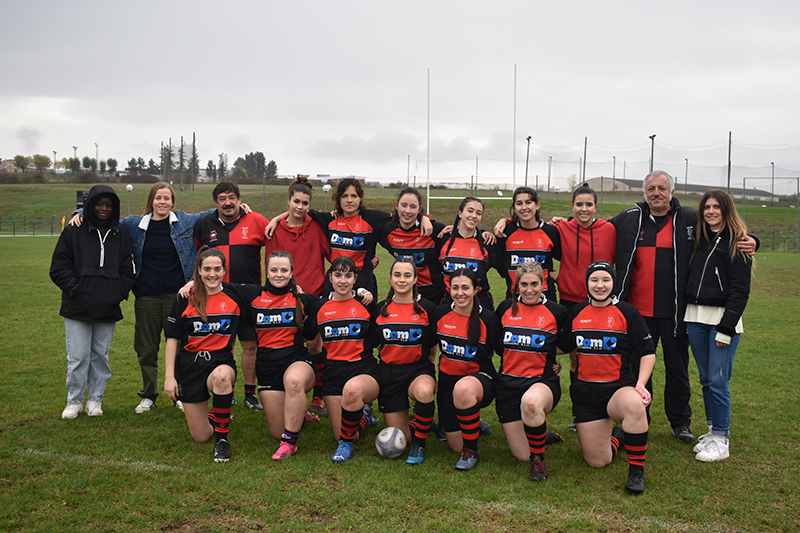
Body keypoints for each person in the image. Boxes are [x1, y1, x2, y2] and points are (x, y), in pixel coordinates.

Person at [611, 170, 756, 443]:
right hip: (637, 313)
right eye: (651, 188)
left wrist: (753, 239)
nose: (656, 193)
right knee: (636, 369)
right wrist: (560, 222)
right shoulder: (630, 218)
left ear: (672, 191)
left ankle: (680, 422)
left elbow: (724, 225)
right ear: (645, 192)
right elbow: (596, 227)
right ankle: (637, 416)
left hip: (677, 313)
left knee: (678, 370)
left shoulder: (690, 218)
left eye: (662, 188)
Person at [69, 181, 218, 414]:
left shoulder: (185, 221)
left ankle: (179, 393)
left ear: (172, 201)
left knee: (180, 346)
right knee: (147, 348)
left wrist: (243, 206)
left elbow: (213, 211)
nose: (163, 202)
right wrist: (79, 212)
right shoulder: (134, 224)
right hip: (146, 297)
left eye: (167, 198)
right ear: (151, 200)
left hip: (177, 297)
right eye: (158, 198)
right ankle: (149, 394)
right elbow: (104, 218)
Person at [560, 261, 655, 494]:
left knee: (635, 403)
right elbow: (561, 347)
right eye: (594, 280)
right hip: (586, 395)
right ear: (587, 283)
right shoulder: (577, 312)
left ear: (613, 283)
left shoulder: (627, 312)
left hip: (617, 390)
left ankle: (636, 472)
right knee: (597, 461)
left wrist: (640, 385)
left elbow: (648, 352)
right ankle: (618, 438)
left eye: (605, 280)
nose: (599, 285)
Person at [51, 185, 136, 419]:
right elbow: (59, 266)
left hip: (107, 307)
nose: (104, 209)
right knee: (78, 357)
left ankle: (95, 400)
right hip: (76, 305)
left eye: (109, 205)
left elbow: (128, 272)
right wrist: (74, 288)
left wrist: (116, 293)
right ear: (90, 205)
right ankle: (74, 401)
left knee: (100, 356)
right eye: (99, 204)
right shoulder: (73, 231)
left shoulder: (121, 234)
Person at [685, 190, 752, 462]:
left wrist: (726, 328)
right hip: (696, 319)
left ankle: (722, 439)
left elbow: (740, 291)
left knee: (718, 380)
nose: (711, 211)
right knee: (705, 379)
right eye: (706, 207)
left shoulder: (739, 243)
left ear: (726, 210)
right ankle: (713, 432)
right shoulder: (699, 239)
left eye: (716, 207)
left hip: (722, 323)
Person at [194, 181, 269, 412]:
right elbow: (197, 255)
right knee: (222, 344)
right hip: (217, 295)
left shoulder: (255, 220)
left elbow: (278, 234)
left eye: (232, 197)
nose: (228, 203)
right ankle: (225, 389)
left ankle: (249, 393)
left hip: (249, 295)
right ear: (215, 203)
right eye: (222, 199)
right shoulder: (204, 224)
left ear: (239, 199)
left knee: (250, 345)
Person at [239, 251, 321, 460]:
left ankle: (289, 444)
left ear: (292, 272)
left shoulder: (302, 300)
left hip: (297, 362)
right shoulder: (253, 295)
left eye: (284, 270)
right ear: (266, 272)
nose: (279, 274)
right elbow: (221, 288)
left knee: (294, 382)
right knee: (277, 431)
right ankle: (299, 414)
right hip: (266, 369)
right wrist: (193, 284)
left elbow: (334, 298)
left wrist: (361, 293)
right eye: (274, 270)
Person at [164, 247, 242, 463]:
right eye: (206, 269)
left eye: (217, 269)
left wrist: (296, 289)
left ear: (224, 271)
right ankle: (217, 414)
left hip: (220, 362)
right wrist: (170, 377)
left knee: (222, 378)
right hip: (189, 366)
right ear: (198, 271)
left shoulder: (235, 295)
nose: (212, 274)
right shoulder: (184, 298)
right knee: (200, 436)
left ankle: (222, 441)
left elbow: (271, 288)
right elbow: (172, 338)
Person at [263, 176, 330, 416]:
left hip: (314, 295)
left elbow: (333, 255)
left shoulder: (316, 226)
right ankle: (288, 390)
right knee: (289, 343)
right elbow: (270, 265)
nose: (300, 207)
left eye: (304, 203)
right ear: (288, 201)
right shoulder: (275, 230)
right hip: (286, 298)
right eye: (296, 202)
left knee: (314, 344)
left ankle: (318, 396)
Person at [495, 262, 568, 481]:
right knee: (521, 455)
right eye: (524, 284)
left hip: (541, 383)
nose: (529, 289)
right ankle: (538, 432)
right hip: (508, 386)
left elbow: (565, 344)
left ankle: (539, 462)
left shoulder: (558, 312)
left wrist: (555, 362)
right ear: (517, 285)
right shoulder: (505, 309)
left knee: (531, 403)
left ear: (543, 283)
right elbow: (498, 345)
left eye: (534, 284)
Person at [303, 257, 379, 463]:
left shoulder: (366, 305)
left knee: (352, 394)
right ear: (331, 278)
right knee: (346, 432)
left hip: (363, 371)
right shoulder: (320, 308)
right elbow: (308, 337)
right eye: (338, 275)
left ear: (355, 279)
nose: (342, 281)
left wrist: (366, 292)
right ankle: (363, 417)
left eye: (348, 276)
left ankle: (345, 447)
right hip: (333, 375)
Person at [434, 269, 501, 470]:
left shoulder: (488, 318)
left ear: (476, 290)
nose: (460, 293)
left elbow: (506, 351)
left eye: (465, 288)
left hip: (480, 379)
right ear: (449, 289)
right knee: (455, 445)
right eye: (455, 288)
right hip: (447, 383)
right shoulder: (440, 313)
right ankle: (474, 422)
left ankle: (471, 451)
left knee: (463, 390)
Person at [373, 258, 438, 464]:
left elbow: (433, 343)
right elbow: (374, 343)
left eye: (407, 275)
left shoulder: (427, 309)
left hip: (417, 370)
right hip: (389, 374)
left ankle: (420, 445)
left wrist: (431, 368)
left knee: (425, 391)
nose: (402, 280)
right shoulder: (380, 309)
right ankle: (421, 421)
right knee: (401, 437)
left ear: (415, 279)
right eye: (397, 275)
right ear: (391, 278)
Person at [378, 187, 447, 304]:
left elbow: (463, 234)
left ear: (419, 209)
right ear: (397, 206)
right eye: (404, 205)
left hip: (432, 294)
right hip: (404, 292)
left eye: (413, 207)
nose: (407, 211)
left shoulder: (432, 230)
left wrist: (484, 234)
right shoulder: (387, 230)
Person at [553, 183, 616, 309]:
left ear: (595, 207)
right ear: (572, 207)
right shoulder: (562, 228)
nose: (584, 209)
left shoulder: (609, 230)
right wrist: (505, 221)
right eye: (579, 204)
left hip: (601, 296)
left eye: (589, 204)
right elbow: (532, 226)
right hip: (569, 298)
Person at [493, 187, 561, 302]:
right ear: (514, 208)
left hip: (545, 297)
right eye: (519, 203)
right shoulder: (506, 232)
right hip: (515, 298)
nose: (524, 207)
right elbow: (501, 264)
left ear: (537, 205)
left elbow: (563, 257)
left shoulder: (550, 231)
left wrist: (548, 274)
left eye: (528, 202)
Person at [439, 197, 497, 309]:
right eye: (470, 211)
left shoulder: (487, 242)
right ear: (460, 213)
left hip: (479, 304)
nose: (474, 216)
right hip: (449, 303)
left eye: (478, 213)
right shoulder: (443, 238)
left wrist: (503, 221)